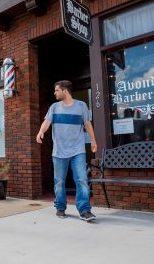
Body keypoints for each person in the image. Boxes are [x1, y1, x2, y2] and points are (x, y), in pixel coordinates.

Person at [36, 80, 97, 221]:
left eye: (57, 90)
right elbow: (47, 121)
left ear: (65, 91)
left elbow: (87, 124)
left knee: (81, 179)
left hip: (78, 150)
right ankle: (60, 207)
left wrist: (93, 140)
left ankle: (84, 210)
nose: (54, 93)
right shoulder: (54, 107)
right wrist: (41, 132)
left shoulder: (81, 106)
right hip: (59, 151)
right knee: (59, 181)